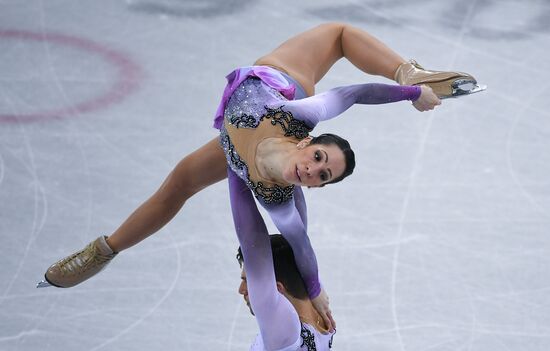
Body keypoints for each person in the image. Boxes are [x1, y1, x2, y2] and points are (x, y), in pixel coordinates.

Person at [39, 23, 478, 331]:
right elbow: (353, 93)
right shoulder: (299, 114)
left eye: (321, 177)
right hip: (281, 81)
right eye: (321, 157)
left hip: (236, 147)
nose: (313, 169)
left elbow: (298, 244)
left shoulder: (277, 201)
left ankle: (102, 251)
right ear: (309, 144)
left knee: (178, 185)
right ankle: (411, 67)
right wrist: (411, 91)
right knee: (340, 34)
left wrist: (316, 290)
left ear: (314, 186)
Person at [230, 166, 334, 350]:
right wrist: (288, 164)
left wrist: (234, 159)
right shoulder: (319, 313)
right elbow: (298, 237)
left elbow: (252, 242)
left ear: (277, 289)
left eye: (249, 281)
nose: (241, 290)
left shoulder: (284, 330)